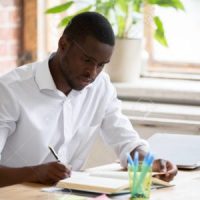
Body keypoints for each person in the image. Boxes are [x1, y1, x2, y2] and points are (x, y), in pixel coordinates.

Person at [0, 12, 177, 187]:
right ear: (63, 45)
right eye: (87, 60)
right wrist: (35, 173)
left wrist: (148, 162)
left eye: (101, 65)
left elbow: (126, 142)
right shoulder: (10, 90)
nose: (92, 73)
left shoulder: (100, 87)